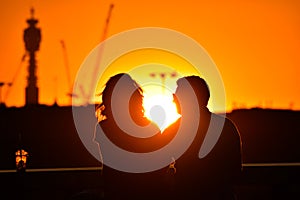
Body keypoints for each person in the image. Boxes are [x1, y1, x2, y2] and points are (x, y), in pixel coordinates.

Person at [94, 73, 178, 199]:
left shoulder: (104, 127)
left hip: (116, 191)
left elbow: (109, 165)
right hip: (148, 191)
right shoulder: (151, 128)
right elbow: (160, 163)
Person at [163, 76, 242, 199]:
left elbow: (157, 166)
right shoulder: (226, 127)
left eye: (176, 95)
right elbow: (235, 171)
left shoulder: (173, 131)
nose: (173, 100)